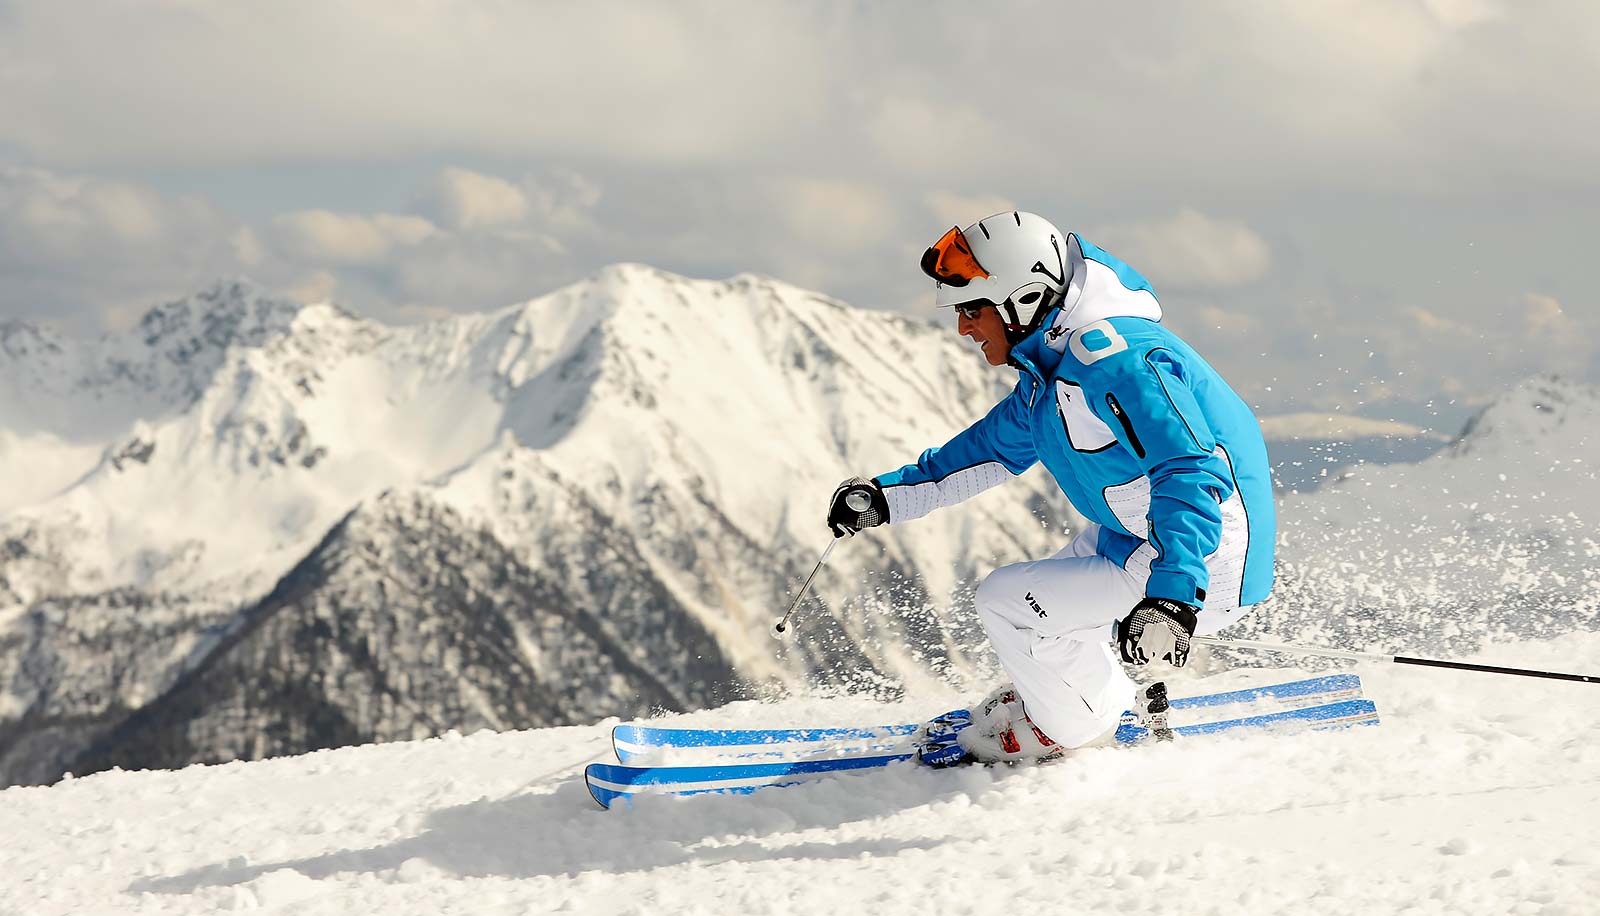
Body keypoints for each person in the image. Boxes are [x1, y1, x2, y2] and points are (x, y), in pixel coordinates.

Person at [826, 211, 1275, 766]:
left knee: (1009, 602)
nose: (963, 328)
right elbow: (985, 453)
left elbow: (1188, 468)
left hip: (1203, 559)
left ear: (1023, 300)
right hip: (1139, 536)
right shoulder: (1055, 372)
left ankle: (1073, 730)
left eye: (972, 309)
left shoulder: (1118, 364)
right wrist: (886, 496)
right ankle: (1073, 699)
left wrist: (1173, 596)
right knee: (1052, 600)